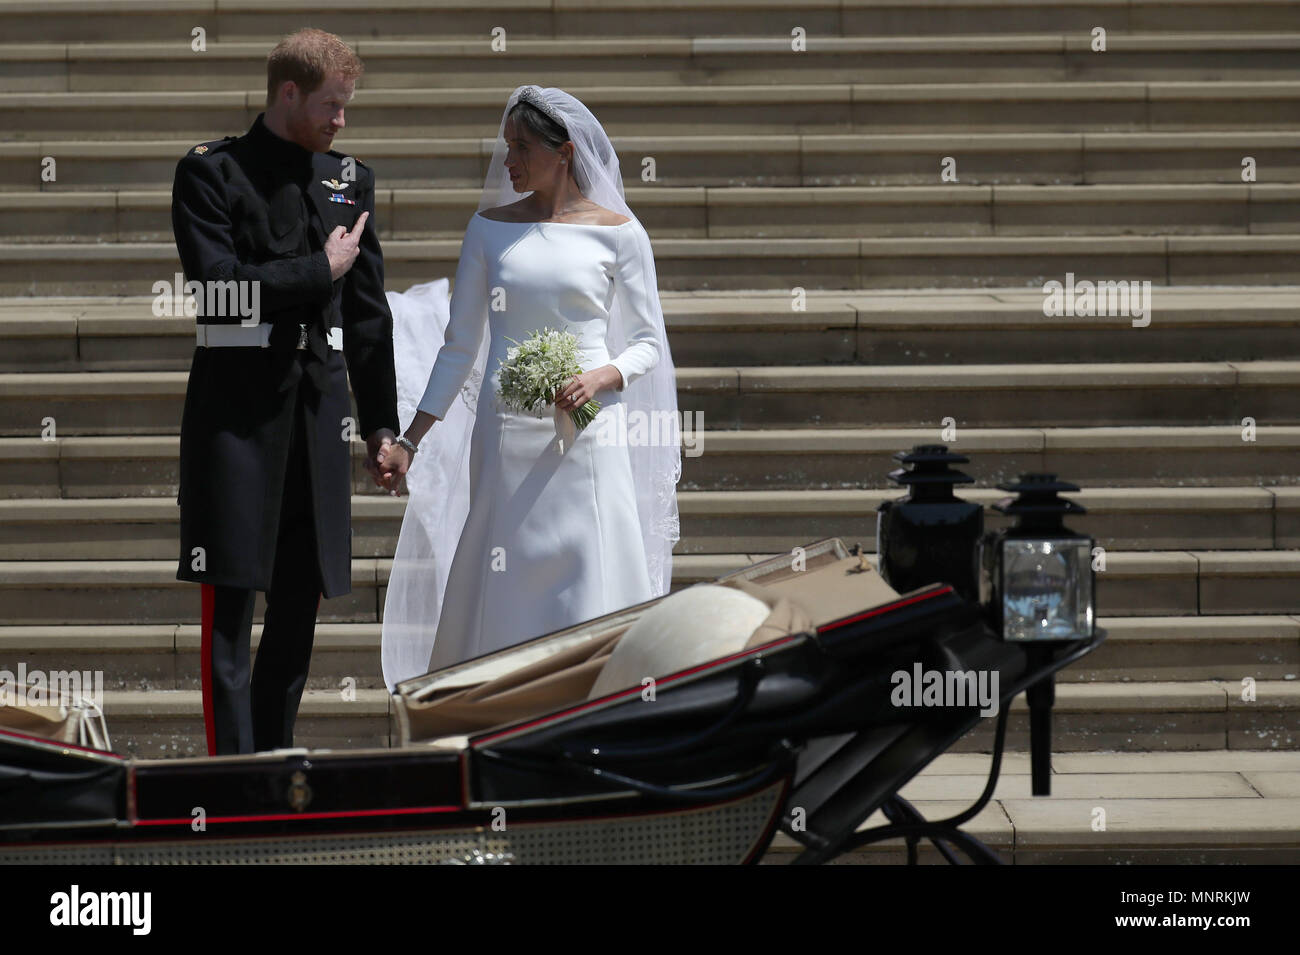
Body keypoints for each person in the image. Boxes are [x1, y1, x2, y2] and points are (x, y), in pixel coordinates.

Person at [377, 85, 681, 689]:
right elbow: (460, 346)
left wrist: (603, 375)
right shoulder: (488, 229)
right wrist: (411, 438)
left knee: (587, 559)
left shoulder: (621, 233)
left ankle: (597, 693)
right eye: (506, 146)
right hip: (505, 432)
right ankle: (498, 699)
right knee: (503, 567)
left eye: (521, 148)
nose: (508, 162)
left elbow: (648, 341)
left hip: (588, 430)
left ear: (564, 152)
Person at [171, 29, 401, 755]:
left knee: (298, 611)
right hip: (235, 423)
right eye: (331, 106)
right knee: (230, 619)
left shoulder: (348, 181)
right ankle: (228, 784)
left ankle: (271, 768)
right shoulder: (211, 174)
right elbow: (217, 296)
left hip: (316, 420)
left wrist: (381, 428)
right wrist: (315, 271)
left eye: (348, 107)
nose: (341, 121)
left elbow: (367, 313)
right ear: (289, 94)